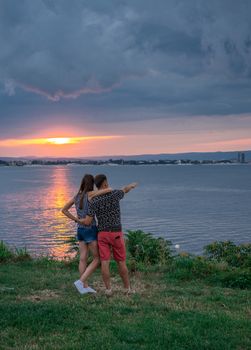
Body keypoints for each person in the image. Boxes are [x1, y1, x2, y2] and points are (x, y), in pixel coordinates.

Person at [79, 174, 137, 295]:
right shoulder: (114, 194)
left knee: (105, 262)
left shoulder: (94, 201)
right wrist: (131, 186)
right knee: (121, 261)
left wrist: (78, 220)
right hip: (116, 233)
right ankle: (127, 288)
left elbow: (89, 220)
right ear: (105, 183)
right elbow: (124, 190)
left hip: (102, 235)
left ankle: (108, 290)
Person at [61, 174, 112, 294]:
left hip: (80, 230)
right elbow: (108, 190)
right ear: (91, 184)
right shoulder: (90, 194)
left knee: (83, 259)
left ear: (82, 183)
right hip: (90, 229)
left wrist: (76, 220)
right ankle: (81, 282)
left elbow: (64, 210)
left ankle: (84, 286)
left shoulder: (76, 196)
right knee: (97, 258)